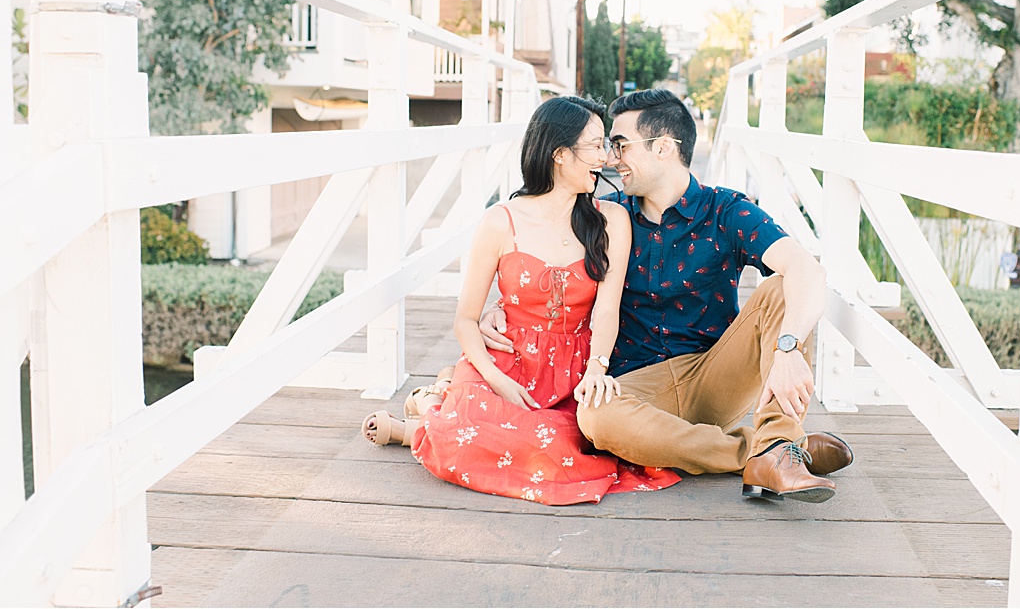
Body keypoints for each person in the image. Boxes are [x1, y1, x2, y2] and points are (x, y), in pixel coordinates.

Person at [481, 89, 853, 502]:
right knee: (594, 416)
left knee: (783, 286)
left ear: (662, 147)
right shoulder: (607, 216)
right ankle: (766, 451)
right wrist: (500, 309)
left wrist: (787, 348)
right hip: (637, 386)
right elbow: (552, 271)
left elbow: (806, 268)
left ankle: (779, 438)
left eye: (619, 145)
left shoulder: (726, 209)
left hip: (714, 374)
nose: (609, 157)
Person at [362, 96, 679, 505]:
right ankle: (430, 419)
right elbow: (465, 320)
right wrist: (498, 381)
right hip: (506, 359)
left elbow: (606, 310)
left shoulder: (610, 220)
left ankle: (431, 410)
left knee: (560, 446)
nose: (606, 158)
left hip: (572, 367)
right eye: (596, 145)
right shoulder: (500, 221)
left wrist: (596, 370)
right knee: (463, 435)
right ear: (560, 155)